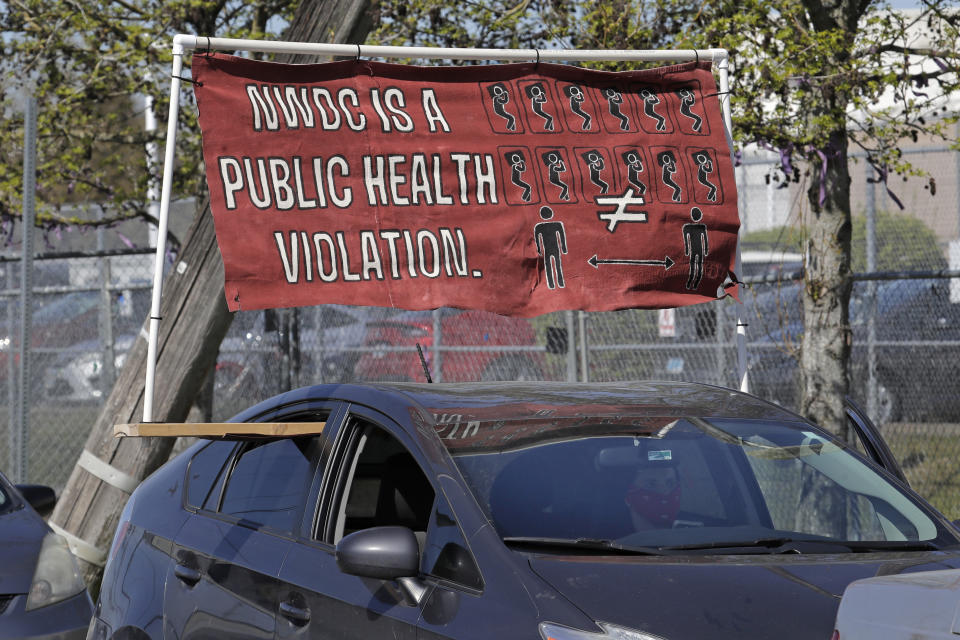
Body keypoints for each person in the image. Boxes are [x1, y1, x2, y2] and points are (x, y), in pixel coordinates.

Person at [624, 461, 681, 530]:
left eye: (670, 483)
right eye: (651, 484)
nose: (665, 492)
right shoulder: (613, 537)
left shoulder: (691, 530)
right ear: (628, 495)